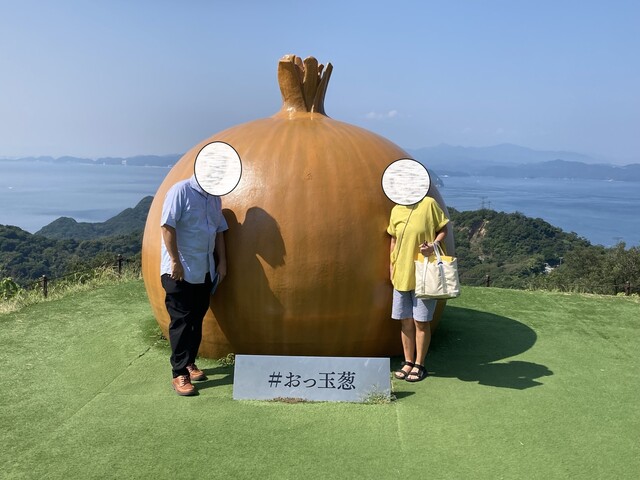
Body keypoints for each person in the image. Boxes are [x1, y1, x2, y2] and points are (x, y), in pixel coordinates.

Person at [160, 174, 228, 396]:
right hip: (179, 270)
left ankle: (189, 363)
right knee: (181, 321)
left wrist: (222, 262)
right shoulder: (180, 191)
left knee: (196, 318)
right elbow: (167, 225)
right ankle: (179, 373)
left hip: (204, 268)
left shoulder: (215, 198)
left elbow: (219, 231)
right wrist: (175, 261)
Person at [387, 196, 449, 382]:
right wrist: (391, 267)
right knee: (405, 321)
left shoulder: (428, 204)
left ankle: (419, 364)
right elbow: (393, 239)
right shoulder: (397, 209)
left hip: (425, 273)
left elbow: (443, 229)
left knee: (421, 322)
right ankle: (408, 361)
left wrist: (433, 245)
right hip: (402, 274)